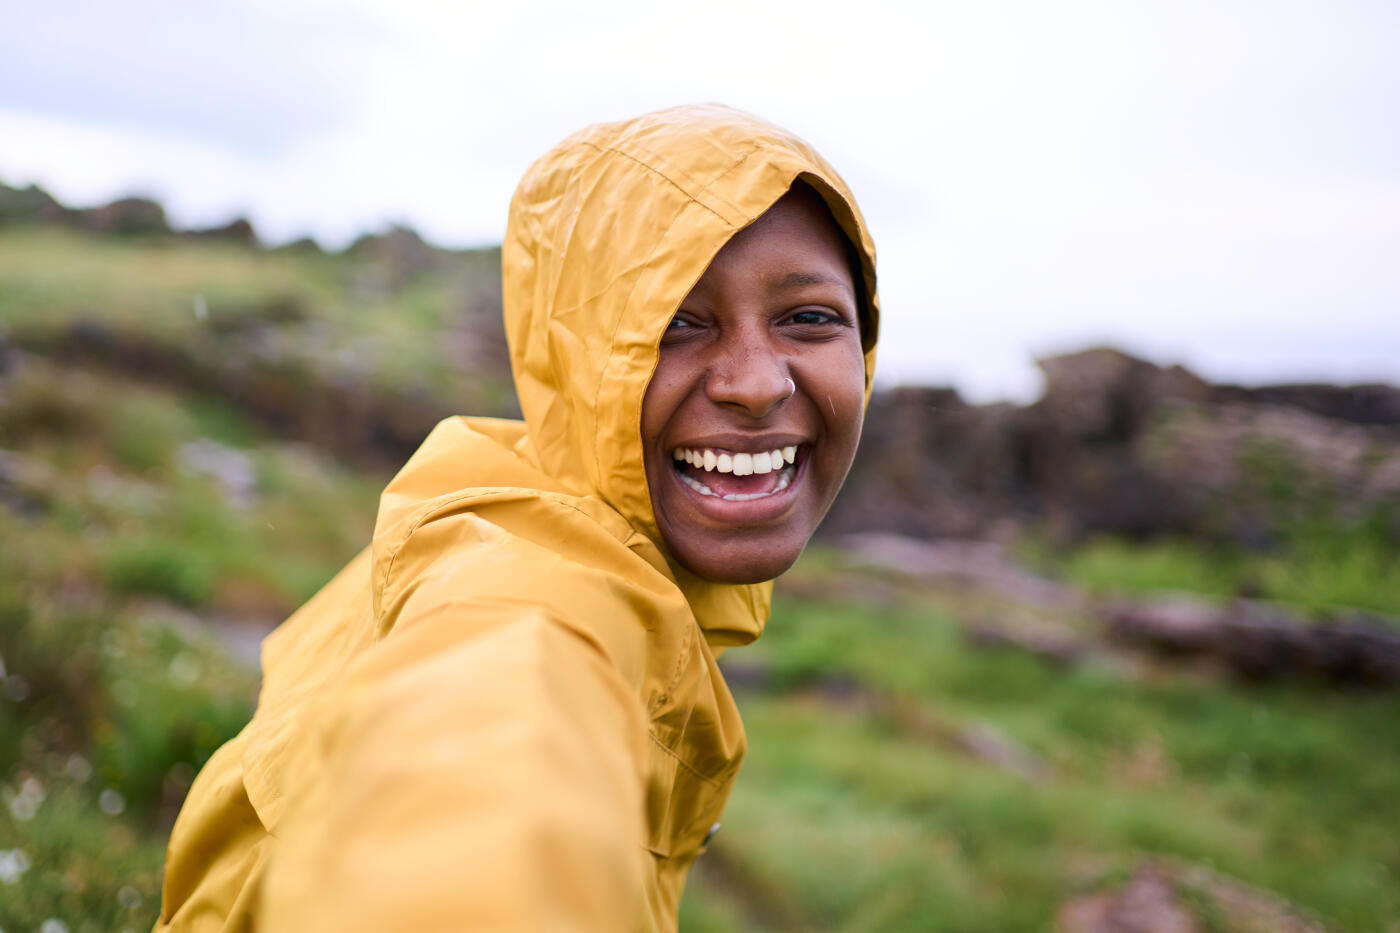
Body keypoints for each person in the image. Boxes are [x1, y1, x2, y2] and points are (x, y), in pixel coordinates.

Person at [155, 103, 879, 933]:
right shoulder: (530, 608)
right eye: (674, 321)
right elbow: (475, 795)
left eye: (809, 318)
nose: (756, 383)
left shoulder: (490, 503)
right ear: (573, 354)